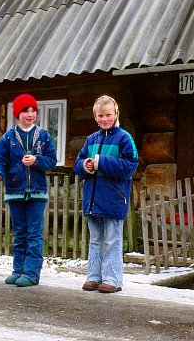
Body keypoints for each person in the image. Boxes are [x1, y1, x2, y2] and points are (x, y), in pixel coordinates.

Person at [0, 94, 57, 287]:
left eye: (33, 110)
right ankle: (18, 270)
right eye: (26, 110)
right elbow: (0, 162)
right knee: (19, 233)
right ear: (18, 114)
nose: (30, 114)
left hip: (37, 193)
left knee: (34, 234)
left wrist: (36, 161)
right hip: (15, 191)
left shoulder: (43, 136)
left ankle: (32, 273)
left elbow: (52, 160)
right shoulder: (8, 138)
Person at [74, 95, 139, 293]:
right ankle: (93, 277)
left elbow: (130, 166)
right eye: (100, 115)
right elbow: (78, 164)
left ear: (116, 114)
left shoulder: (124, 138)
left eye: (108, 115)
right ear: (95, 116)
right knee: (95, 240)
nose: (104, 119)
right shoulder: (91, 139)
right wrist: (86, 165)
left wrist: (101, 162)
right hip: (93, 200)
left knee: (112, 240)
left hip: (113, 199)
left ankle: (112, 279)